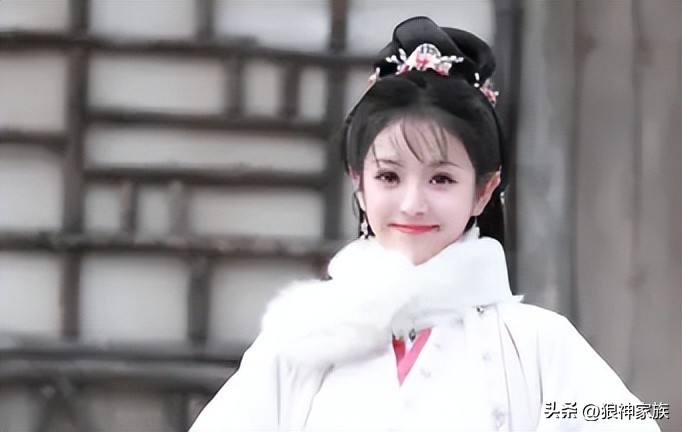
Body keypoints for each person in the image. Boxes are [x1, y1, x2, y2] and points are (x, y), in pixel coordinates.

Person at [189, 17, 660, 431]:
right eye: (389, 176)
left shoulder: (538, 344)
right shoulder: (300, 342)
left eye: (441, 179)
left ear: (483, 190)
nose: (413, 204)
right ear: (359, 183)